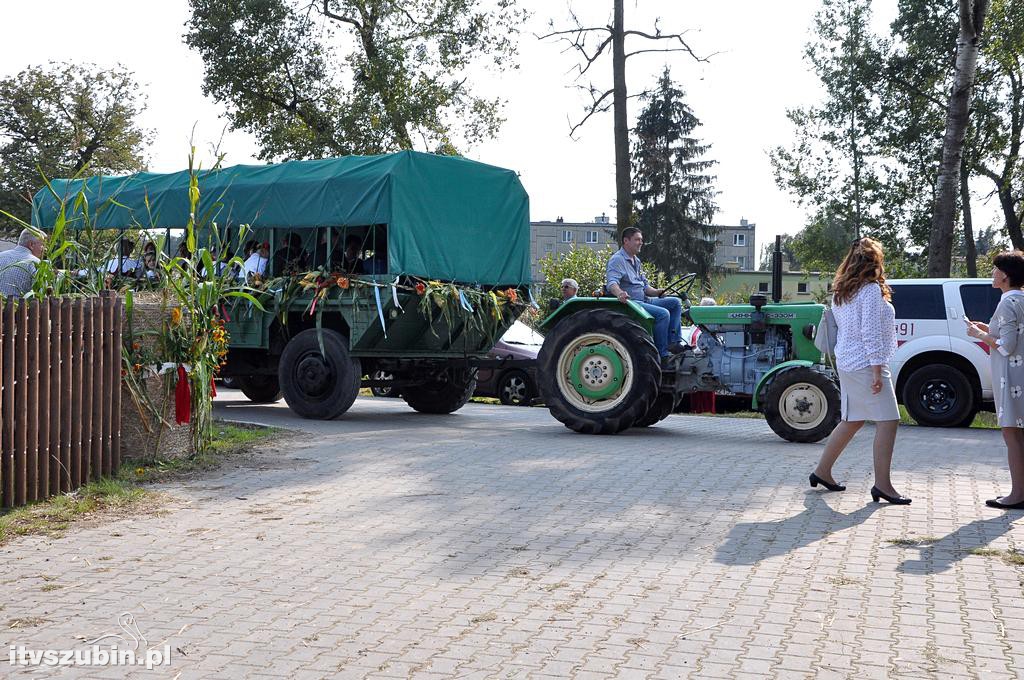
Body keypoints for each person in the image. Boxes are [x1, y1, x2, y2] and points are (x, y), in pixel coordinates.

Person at [810, 237, 908, 504]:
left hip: (847, 360)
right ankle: (883, 485)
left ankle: (822, 471)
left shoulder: (842, 291)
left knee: (852, 419)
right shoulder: (870, 290)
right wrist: (878, 370)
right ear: (874, 261)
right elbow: (871, 332)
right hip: (866, 362)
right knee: (888, 421)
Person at [967, 251, 1024, 509]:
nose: (992, 273)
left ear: (1005, 276)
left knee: (1011, 435)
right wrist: (988, 329)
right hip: (1019, 376)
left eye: (995, 269)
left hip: (1011, 378)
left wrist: (979, 334)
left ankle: (1016, 494)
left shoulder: (1006, 302)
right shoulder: (1021, 299)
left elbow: (1007, 345)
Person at [605, 227, 683, 360]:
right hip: (632, 303)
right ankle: (662, 355)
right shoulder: (617, 260)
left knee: (675, 303)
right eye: (637, 239)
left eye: (641, 240)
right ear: (626, 241)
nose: (641, 242)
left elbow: (645, 287)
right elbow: (612, 282)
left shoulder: (636, 261)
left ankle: (673, 343)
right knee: (663, 314)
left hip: (645, 299)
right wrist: (619, 293)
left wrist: (658, 292)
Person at [0, 229, 45, 297]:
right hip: (21, 307)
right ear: (31, 245)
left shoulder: (1, 256)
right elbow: (41, 295)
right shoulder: (35, 263)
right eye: (42, 244)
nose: (44, 248)